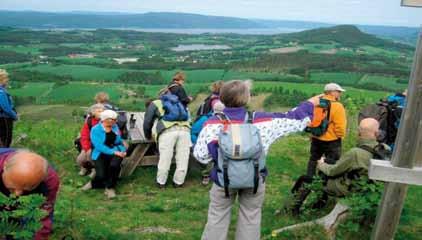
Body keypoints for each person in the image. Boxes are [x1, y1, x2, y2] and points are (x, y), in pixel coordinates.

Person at [194, 80, 320, 240]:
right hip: (254, 178)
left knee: (217, 217)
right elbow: (294, 119)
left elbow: (200, 155)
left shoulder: (212, 124)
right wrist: (309, 103)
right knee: (250, 218)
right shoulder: (263, 121)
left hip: (223, 179)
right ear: (247, 98)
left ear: (222, 99)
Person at [288, 118, 389, 215]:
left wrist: (321, 164)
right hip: (369, 188)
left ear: (359, 133)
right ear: (377, 133)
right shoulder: (384, 148)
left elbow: (332, 171)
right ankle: (318, 204)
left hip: (350, 188)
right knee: (330, 162)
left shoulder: (355, 153)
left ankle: (291, 209)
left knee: (306, 179)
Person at [0, 148, 60, 239]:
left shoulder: (49, 181)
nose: (17, 194)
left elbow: (42, 217)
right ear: (5, 167)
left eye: (27, 188)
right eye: (12, 188)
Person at [143, 91, 192, 188]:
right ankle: (178, 182)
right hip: (185, 131)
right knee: (183, 158)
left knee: (165, 158)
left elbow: (147, 121)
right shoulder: (180, 102)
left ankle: (161, 183)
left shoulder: (156, 103)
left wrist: (147, 135)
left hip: (167, 131)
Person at [81, 110, 126, 199]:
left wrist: (123, 150)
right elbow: (99, 146)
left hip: (115, 150)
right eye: (113, 120)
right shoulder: (95, 129)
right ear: (105, 120)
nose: (115, 121)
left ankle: (110, 188)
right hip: (100, 153)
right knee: (101, 174)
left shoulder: (115, 127)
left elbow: (119, 141)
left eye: (115, 119)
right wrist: (113, 152)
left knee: (114, 166)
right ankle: (94, 183)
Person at [306, 83, 347, 177]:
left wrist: (312, 133)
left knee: (313, 159)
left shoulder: (316, 103)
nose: (340, 94)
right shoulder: (338, 106)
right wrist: (340, 136)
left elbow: (311, 120)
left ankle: (309, 180)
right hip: (332, 140)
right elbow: (340, 126)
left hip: (316, 137)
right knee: (330, 161)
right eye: (338, 91)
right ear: (332, 92)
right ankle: (323, 182)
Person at [191, 101, 225, 185]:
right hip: (223, 149)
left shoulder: (206, 119)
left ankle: (206, 175)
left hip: (207, 150)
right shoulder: (228, 120)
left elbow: (193, 130)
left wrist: (196, 141)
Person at [76, 103, 104, 177]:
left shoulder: (106, 121)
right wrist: (86, 148)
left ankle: (94, 170)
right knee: (80, 159)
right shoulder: (89, 122)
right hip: (89, 144)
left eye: (103, 111)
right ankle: (84, 168)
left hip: (100, 145)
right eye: (99, 111)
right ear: (93, 113)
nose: (102, 113)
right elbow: (84, 136)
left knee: (92, 156)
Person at [0, 69, 18, 147]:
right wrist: (15, 116)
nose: (7, 80)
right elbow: (6, 108)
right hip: (4, 119)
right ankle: (4, 157)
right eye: (6, 78)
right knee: (6, 140)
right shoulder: (1, 92)